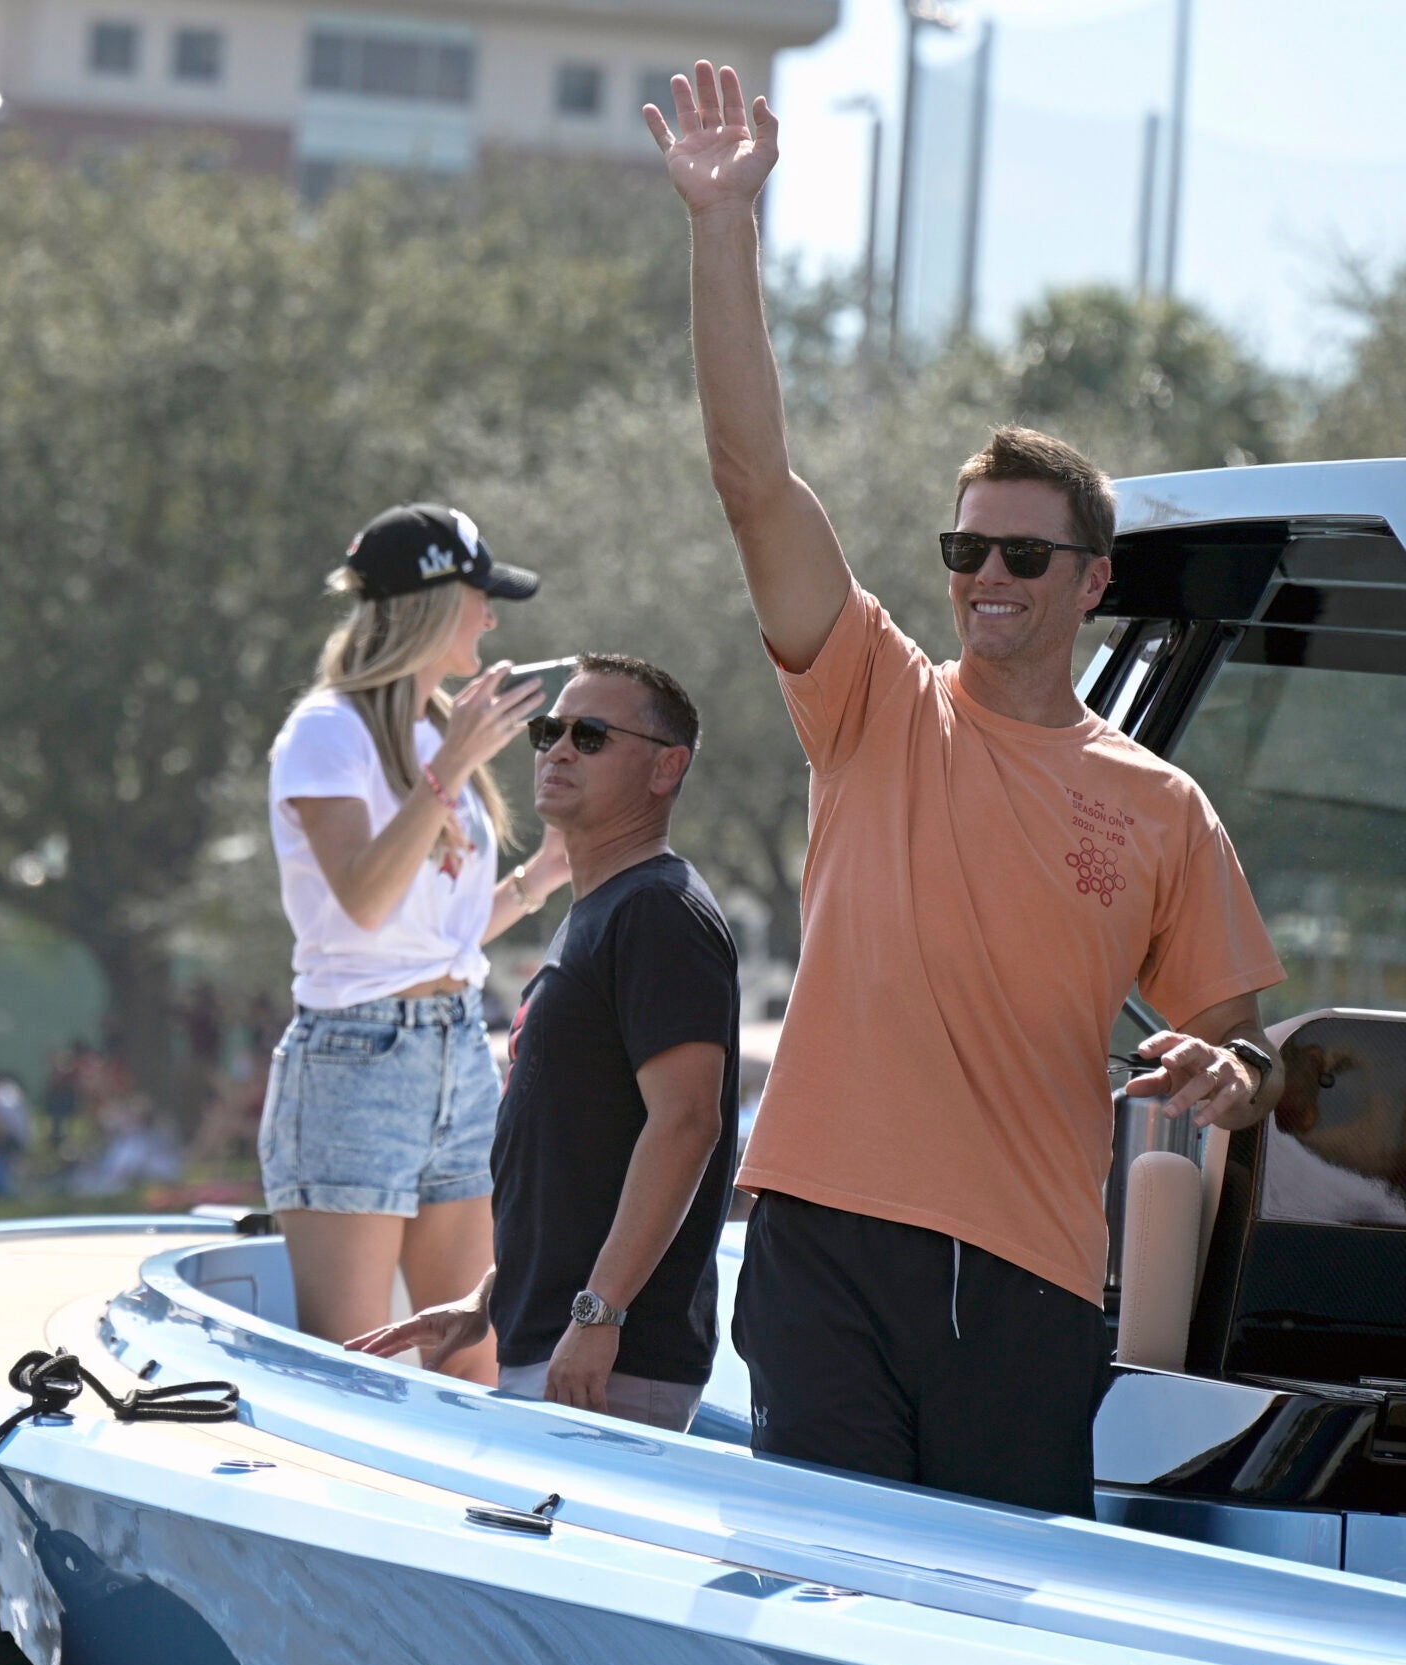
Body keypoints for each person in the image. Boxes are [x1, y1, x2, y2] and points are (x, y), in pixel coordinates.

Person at [647, 62, 1286, 1512]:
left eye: (1022, 555)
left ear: (1091, 582)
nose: (984, 578)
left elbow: (1240, 1051)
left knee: (988, 1631)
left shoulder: (1162, 805)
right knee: (828, 1610)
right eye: (965, 549)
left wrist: (1220, 1075)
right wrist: (720, 228)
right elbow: (754, 481)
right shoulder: (870, 692)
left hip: (1031, 1283)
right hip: (824, 1242)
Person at [349, 657, 739, 1430]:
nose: (558, 749)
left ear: (668, 767)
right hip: (565, 1343)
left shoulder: (659, 914)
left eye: (590, 735)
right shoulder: (600, 911)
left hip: (609, 1361)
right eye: (546, 730)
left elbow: (686, 1124)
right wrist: (489, 1300)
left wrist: (600, 1316)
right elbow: (581, 1156)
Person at [259, 502, 569, 1384]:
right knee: (354, 1371)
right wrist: (450, 771)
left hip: (457, 1048)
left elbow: (437, 936)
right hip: (354, 1060)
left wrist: (539, 879)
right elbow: (362, 901)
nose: (493, 618)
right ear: (435, 602)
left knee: (474, 1361)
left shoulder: (437, 734)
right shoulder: (327, 732)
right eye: (481, 597)